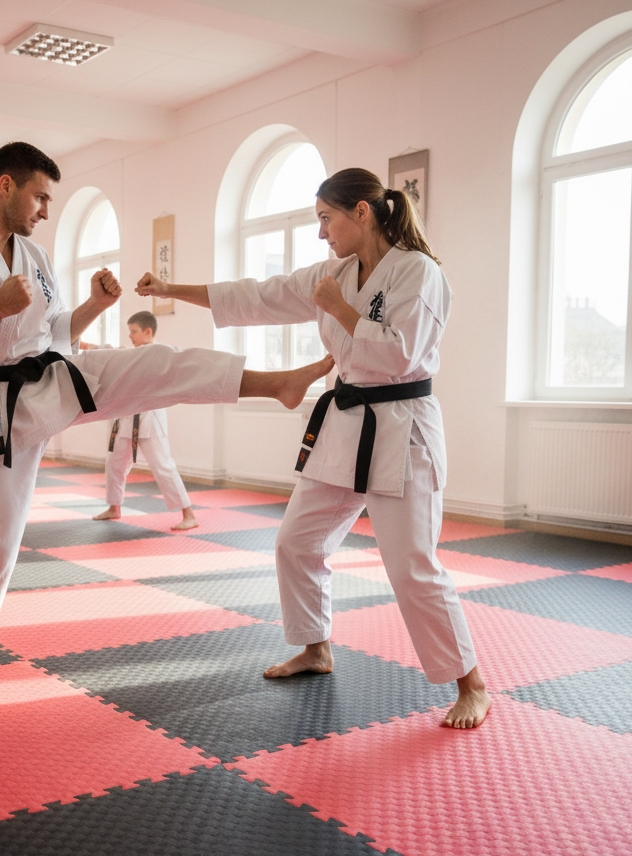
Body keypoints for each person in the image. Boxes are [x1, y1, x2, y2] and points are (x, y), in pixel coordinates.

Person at [0, 141, 333, 701]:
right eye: (39, 197)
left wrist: (94, 308)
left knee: (155, 365)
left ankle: (275, 383)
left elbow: (53, 332)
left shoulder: (32, 256)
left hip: (48, 377)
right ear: (4, 185)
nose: (44, 211)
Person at [135, 167, 491, 730]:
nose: (322, 233)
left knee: (412, 568)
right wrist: (170, 289)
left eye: (327, 219)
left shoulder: (418, 272)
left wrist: (340, 307)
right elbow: (258, 296)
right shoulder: (334, 273)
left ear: (362, 213)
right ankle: (314, 646)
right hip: (347, 423)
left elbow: (400, 355)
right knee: (296, 542)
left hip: (403, 428)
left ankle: (470, 681)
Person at [92, 310, 198, 531]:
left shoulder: (161, 354)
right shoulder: (132, 354)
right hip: (126, 419)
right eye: (129, 331)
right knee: (114, 464)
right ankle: (114, 507)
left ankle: (189, 514)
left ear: (148, 331)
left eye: (134, 331)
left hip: (150, 419)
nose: (130, 336)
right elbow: (109, 352)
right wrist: (80, 343)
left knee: (163, 466)